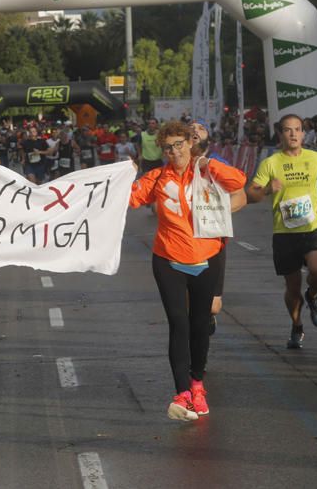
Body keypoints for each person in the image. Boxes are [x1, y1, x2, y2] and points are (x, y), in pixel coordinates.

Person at [129, 121, 246, 421]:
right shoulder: (157, 177)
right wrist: (123, 175)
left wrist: (208, 164)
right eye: (168, 147)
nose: (174, 151)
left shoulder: (206, 170)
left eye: (179, 144)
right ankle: (182, 393)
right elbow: (131, 198)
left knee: (200, 323)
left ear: (189, 143)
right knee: (179, 323)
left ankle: (197, 384)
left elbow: (238, 183)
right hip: (168, 259)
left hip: (206, 257)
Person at [247, 114, 317, 349]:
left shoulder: (316, 157)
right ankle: (297, 325)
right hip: (285, 231)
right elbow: (252, 193)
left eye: (297, 129)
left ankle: (313, 296)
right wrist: (268, 189)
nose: (293, 134)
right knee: (292, 286)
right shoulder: (271, 163)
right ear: (281, 134)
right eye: (288, 130)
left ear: (303, 133)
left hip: (312, 226)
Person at [190, 120, 247, 335]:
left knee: (213, 304)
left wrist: (216, 213)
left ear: (208, 139)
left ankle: (209, 316)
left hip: (214, 240)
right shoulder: (177, 163)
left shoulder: (218, 162)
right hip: (184, 240)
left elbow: (240, 196)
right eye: (191, 128)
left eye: (201, 128)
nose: (195, 130)